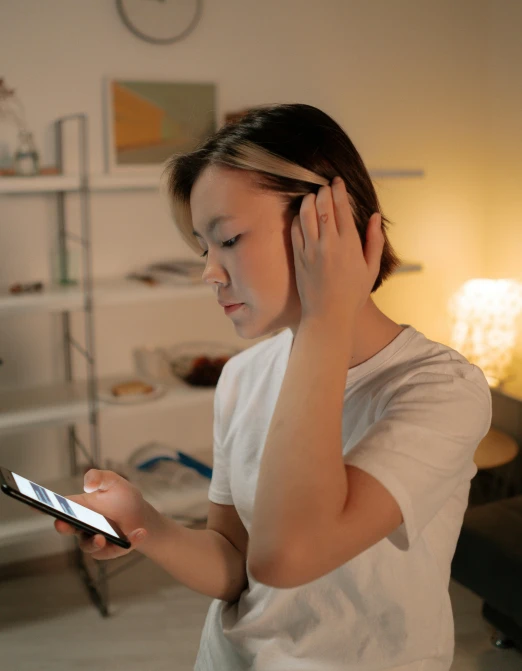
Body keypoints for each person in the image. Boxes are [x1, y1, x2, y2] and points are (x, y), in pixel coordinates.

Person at [55, 104, 492, 670]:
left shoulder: (442, 390)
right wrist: (146, 524)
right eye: (203, 247)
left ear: (331, 224)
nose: (209, 272)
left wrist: (325, 318)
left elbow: (290, 555)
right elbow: (241, 563)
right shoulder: (243, 375)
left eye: (229, 239)